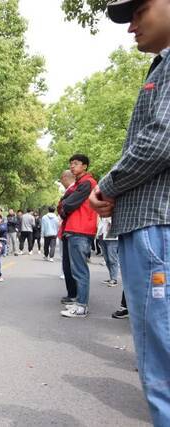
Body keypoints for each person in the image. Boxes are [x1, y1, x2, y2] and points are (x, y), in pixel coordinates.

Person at [91, 2, 170, 423]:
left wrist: (108, 185)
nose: (131, 27)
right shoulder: (160, 66)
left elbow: (161, 139)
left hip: (156, 224)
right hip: (154, 221)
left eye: (139, 11)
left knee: (159, 351)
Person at [58, 154, 98, 318]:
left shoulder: (87, 183)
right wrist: (63, 205)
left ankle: (81, 306)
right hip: (74, 229)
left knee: (79, 270)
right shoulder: (79, 183)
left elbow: (68, 204)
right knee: (75, 269)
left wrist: (64, 205)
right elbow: (63, 205)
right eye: (71, 164)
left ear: (85, 166)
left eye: (76, 163)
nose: (72, 166)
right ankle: (79, 302)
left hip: (80, 230)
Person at [59, 170, 77, 300]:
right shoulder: (72, 190)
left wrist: (62, 207)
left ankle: (74, 295)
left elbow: (64, 208)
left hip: (73, 230)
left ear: (65, 178)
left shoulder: (74, 190)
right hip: (69, 229)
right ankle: (73, 294)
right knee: (69, 264)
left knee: (71, 265)